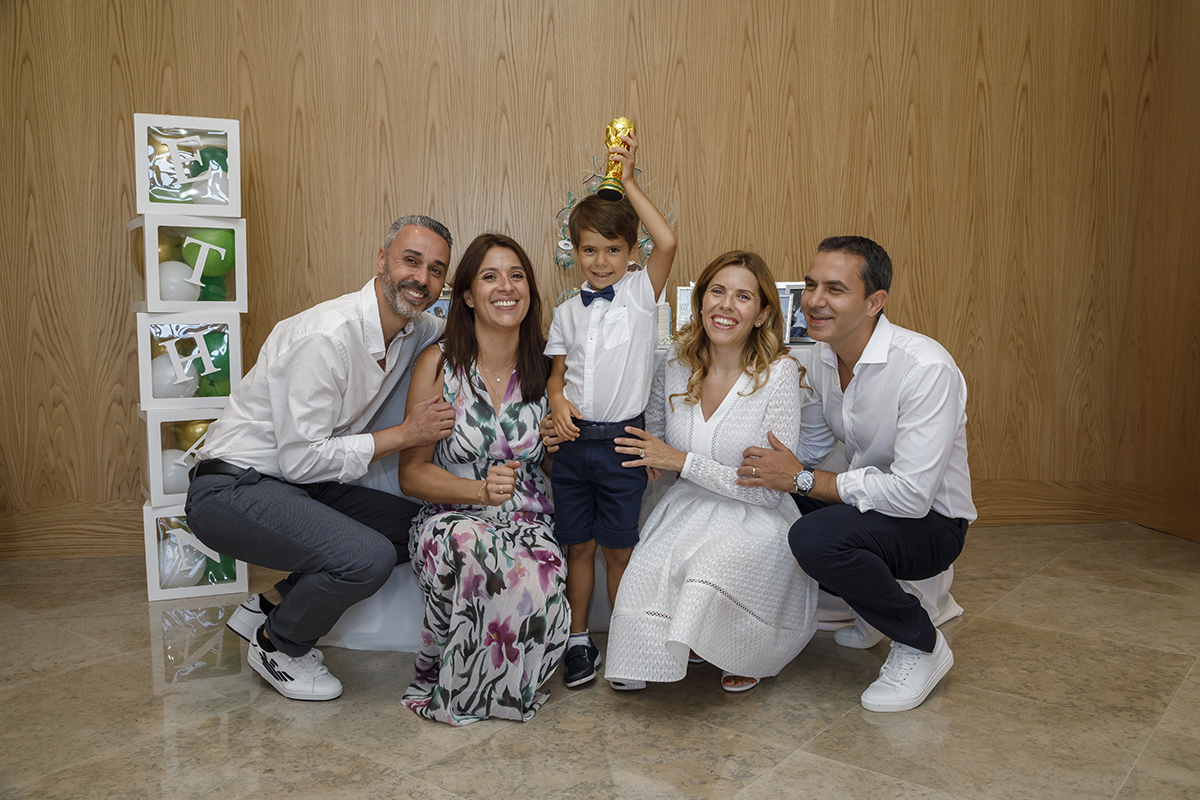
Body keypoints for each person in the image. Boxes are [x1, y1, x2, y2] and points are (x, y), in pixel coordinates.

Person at [185, 215, 456, 702]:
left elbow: (474, 324)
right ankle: (279, 645)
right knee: (367, 557)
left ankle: (270, 605)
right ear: (381, 259)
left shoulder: (413, 328)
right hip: (231, 490)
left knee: (417, 526)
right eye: (411, 261)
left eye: (436, 270)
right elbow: (302, 461)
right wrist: (405, 434)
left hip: (292, 486)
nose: (421, 279)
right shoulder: (326, 335)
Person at [738, 235, 975, 713]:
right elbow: (810, 450)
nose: (814, 300)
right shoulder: (822, 358)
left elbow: (911, 496)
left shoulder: (926, 368)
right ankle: (874, 609)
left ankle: (921, 643)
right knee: (764, 501)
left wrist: (804, 480)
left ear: (874, 302)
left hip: (933, 524)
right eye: (810, 285)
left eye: (835, 289)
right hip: (873, 507)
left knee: (815, 538)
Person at [603, 251, 817, 692]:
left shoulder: (779, 375)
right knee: (645, 571)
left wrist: (681, 461)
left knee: (709, 566)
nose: (726, 305)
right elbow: (653, 443)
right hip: (687, 506)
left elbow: (767, 489)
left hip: (758, 515)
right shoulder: (675, 365)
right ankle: (692, 641)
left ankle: (744, 649)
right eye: (717, 291)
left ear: (762, 315)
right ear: (700, 301)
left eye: (743, 297)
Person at [397, 232, 570, 725]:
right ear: (468, 295)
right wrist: (478, 491)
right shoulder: (439, 364)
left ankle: (500, 686)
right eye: (490, 276)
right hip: (448, 520)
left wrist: (559, 448)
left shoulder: (548, 369)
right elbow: (411, 474)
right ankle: (462, 690)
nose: (506, 287)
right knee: (474, 545)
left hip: (529, 523)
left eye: (516, 276)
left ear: (530, 290)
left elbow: (554, 468)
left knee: (541, 576)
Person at [544, 130, 678, 689]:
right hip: (574, 447)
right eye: (589, 250)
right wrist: (556, 399)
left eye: (613, 249)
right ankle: (579, 640)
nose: (601, 261)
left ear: (631, 252)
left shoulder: (642, 295)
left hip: (623, 444)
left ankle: (625, 644)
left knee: (619, 551)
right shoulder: (566, 312)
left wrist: (626, 179)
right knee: (578, 545)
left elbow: (668, 240)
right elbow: (557, 375)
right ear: (574, 251)